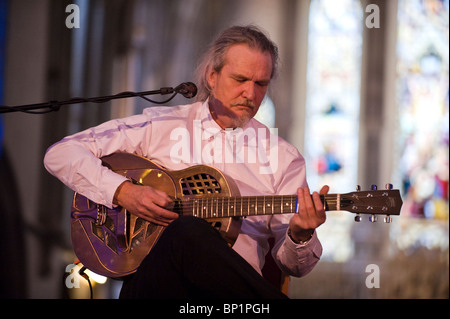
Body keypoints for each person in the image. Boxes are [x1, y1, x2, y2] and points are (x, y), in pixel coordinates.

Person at [44, 25, 329, 299]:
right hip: (153, 286)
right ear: (212, 76)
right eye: (240, 79)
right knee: (187, 229)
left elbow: (294, 267)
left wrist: (300, 234)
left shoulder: (283, 159)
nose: (251, 94)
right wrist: (124, 192)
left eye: (261, 84)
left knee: (191, 231)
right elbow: (61, 153)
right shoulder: (161, 125)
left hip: (229, 301)